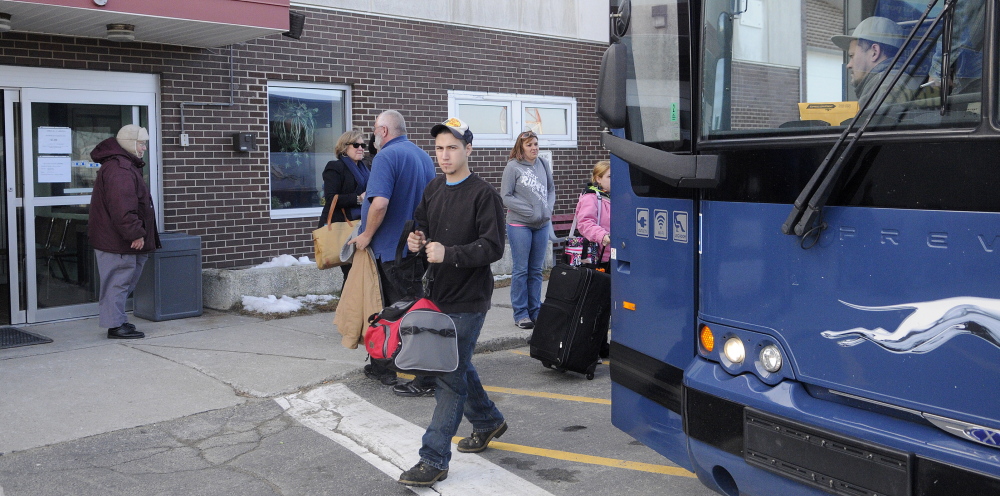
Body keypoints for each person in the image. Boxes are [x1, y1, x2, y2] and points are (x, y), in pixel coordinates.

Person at [398, 117, 507, 488]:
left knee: (448, 374)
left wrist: (451, 254)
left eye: (452, 148)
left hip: (469, 299)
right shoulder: (433, 188)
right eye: (440, 149)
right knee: (458, 363)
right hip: (437, 296)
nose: (444, 156)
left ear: (468, 150)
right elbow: (421, 226)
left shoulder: (483, 194)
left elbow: (493, 247)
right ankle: (489, 421)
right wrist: (415, 241)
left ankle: (433, 458)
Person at [348, 110, 437, 395]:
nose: (372, 137)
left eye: (375, 130)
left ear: (384, 131)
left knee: (395, 311)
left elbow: (379, 204)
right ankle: (381, 364)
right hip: (416, 247)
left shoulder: (386, 156)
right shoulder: (423, 156)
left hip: (392, 250)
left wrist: (366, 235)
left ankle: (417, 375)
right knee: (406, 309)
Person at [88, 124, 161, 339]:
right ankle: (116, 325)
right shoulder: (120, 169)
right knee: (118, 281)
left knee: (124, 280)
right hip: (119, 240)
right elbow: (122, 206)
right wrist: (135, 233)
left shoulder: (124, 166)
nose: (144, 148)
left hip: (120, 239)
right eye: (141, 143)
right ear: (130, 144)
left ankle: (118, 320)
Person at [500, 130, 555, 329]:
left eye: (536, 144)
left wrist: (547, 209)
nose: (534, 148)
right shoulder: (512, 167)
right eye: (529, 145)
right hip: (519, 225)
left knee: (536, 271)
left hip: (541, 225)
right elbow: (506, 197)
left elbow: (550, 190)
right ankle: (521, 313)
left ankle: (535, 310)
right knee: (521, 270)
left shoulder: (543, 164)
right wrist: (531, 211)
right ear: (521, 148)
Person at [831, 16, 920, 110]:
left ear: (874, 52)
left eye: (852, 56)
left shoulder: (887, 87)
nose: (849, 65)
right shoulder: (894, 81)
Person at [318, 129, 370, 280]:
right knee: (350, 272)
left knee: (359, 272)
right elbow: (330, 197)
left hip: (361, 226)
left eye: (363, 145)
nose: (360, 148)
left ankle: (354, 302)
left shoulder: (365, 168)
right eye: (356, 145)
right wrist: (358, 198)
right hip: (343, 224)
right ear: (344, 147)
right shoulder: (335, 167)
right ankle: (348, 303)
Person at [574, 160, 611, 270]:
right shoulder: (591, 197)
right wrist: (602, 236)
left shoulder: (621, 197)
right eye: (609, 176)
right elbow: (585, 223)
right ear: (598, 179)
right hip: (598, 255)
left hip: (618, 253)